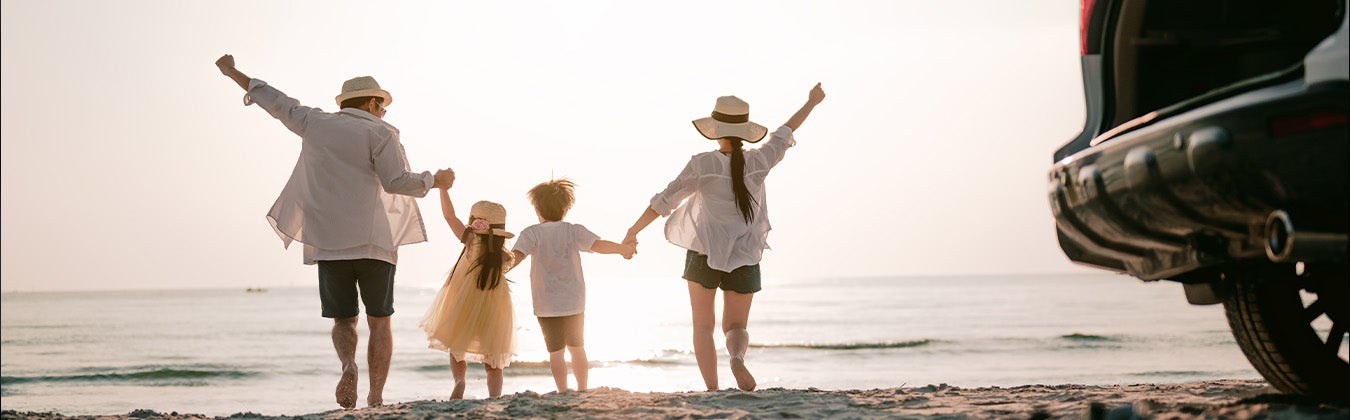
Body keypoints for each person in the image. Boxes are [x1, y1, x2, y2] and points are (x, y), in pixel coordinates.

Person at [214, 54, 454, 409]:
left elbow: (275, 101)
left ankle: (347, 365)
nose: (384, 113)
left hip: (329, 243)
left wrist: (233, 72)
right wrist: (434, 180)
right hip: (374, 243)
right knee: (380, 322)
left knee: (344, 319)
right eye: (382, 107)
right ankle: (375, 397)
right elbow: (395, 182)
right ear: (372, 103)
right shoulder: (380, 132)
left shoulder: (314, 122)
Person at [622, 84, 826, 391]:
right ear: (744, 131)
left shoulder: (703, 164)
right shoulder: (760, 161)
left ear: (715, 130)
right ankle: (736, 358)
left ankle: (713, 390)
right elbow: (785, 132)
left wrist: (632, 231)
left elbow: (664, 201)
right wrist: (811, 102)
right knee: (736, 326)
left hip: (704, 251)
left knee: (703, 327)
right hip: (745, 254)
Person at [509, 179, 636, 393]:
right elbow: (600, 245)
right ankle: (582, 388)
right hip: (574, 301)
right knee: (577, 348)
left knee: (555, 351)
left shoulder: (531, 233)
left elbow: (515, 258)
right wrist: (623, 249)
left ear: (537, 208)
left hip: (546, 303)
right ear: (565, 209)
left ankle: (562, 390)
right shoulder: (573, 231)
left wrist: (495, 270)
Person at [419, 186, 517, 399]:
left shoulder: (470, 239)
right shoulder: (504, 256)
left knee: (457, 346)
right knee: (494, 358)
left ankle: (460, 380)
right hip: (494, 305)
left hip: (464, 300)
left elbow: (449, 216)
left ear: (474, 221)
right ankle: (494, 397)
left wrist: (443, 189)